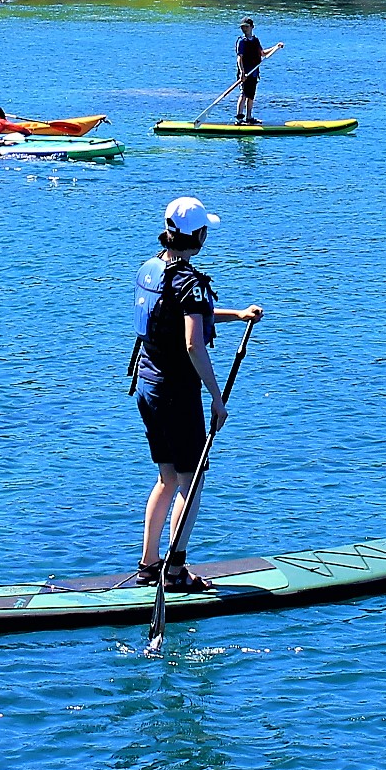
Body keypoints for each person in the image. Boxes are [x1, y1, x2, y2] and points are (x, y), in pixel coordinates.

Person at [131, 196, 263, 592]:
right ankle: (175, 573)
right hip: (176, 394)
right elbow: (193, 343)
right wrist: (217, 399)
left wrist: (236, 314)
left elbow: (181, 315)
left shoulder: (151, 269)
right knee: (192, 483)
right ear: (199, 235)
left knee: (167, 478)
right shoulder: (191, 283)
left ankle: (149, 564)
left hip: (147, 387)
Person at [234, 19, 265, 124]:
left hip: (254, 73)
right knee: (243, 94)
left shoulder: (256, 41)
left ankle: (249, 117)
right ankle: (239, 118)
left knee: (251, 96)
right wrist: (242, 72)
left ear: (252, 27)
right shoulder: (242, 41)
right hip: (245, 73)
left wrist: (276, 47)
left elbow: (263, 53)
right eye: (243, 27)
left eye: (246, 26)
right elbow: (239, 58)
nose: (244, 29)